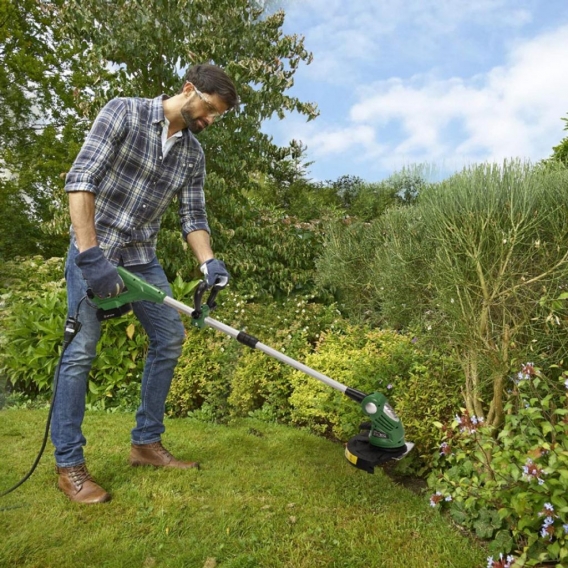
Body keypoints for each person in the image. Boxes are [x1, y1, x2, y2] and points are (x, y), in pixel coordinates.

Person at [52, 64, 239, 504]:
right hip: (93, 249)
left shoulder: (194, 155)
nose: (210, 120)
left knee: (170, 338)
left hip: (142, 259)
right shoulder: (124, 112)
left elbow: (193, 216)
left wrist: (208, 262)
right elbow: (81, 181)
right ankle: (69, 466)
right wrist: (90, 255)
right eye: (209, 109)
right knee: (80, 351)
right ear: (189, 90)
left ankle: (145, 444)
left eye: (218, 116)